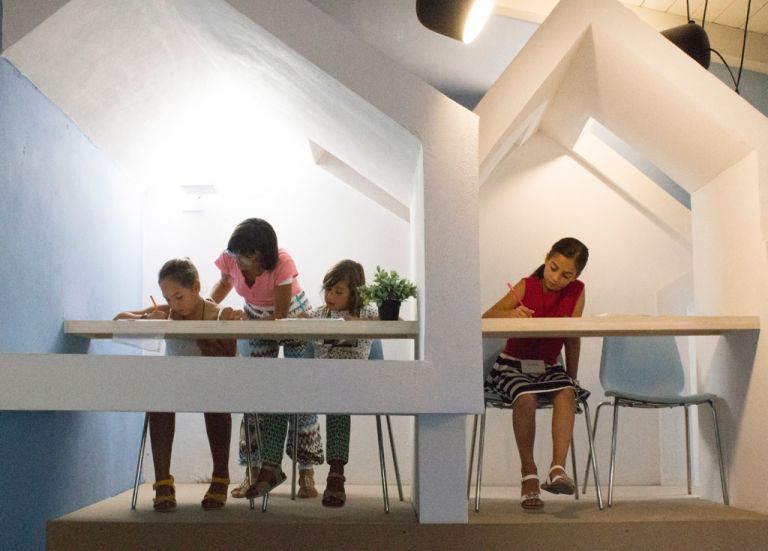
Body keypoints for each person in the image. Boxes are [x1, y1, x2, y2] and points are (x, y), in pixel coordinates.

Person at [210, 218, 324, 499]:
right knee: (256, 395)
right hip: (254, 314)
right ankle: (254, 470)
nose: (242, 262)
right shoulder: (231, 257)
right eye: (238, 256)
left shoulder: (282, 262)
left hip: (291, 315)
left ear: (263, 253)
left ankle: (306, 473)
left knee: (299, 392)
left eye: (248, 256)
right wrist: (208, 309)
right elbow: (224, 283)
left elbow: (280, 318)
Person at [114, 258, 237, 511]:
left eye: (179, 296)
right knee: (159, 399)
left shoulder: (219, 315)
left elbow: (231, 360)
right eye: (168, 298)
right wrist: (150, 316)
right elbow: (118, 321)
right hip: (176, 385)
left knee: (216, 399)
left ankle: (220, 478)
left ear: (196, 287)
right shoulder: (167, 312)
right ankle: (163, 483)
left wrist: (210, 339)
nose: (174, 304)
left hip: (214, 385)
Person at [482, 237, 589, 511]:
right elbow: (487, 316)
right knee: (526, 396)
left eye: (567, 275)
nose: (556, 278)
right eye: (553, 268)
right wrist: (512, 315)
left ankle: (557, 469)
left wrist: (572, 378)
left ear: (576, 276)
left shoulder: (577, 292)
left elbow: (571, 337)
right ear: (546, 259)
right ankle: (528, 475)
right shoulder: (526, 285)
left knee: (567, 392)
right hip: (512, 365)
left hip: (549, 367)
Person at [305, 259, 378, 507]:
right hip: (321, 381)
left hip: (354, 382)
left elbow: (388, 322)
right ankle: (272, 467)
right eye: (328, 290)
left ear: (354, 293)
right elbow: (297, 323)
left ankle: (336, 471)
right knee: (284, 386)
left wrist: (359, 324)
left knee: (338, 395)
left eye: (338, 291)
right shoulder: (319, 313)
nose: (330, 296)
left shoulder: (366, 311)